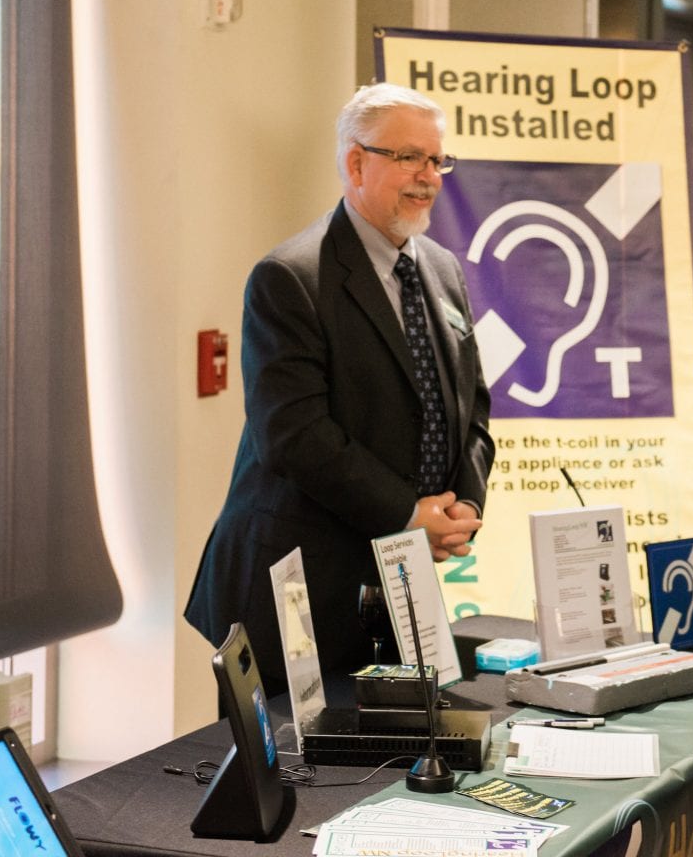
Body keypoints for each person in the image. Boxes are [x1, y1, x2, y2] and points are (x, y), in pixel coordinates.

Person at [184, 83, 493, 695]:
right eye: (409, 158)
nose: (428, 177)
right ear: (356, 162)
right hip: (299, 589)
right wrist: (408, 515)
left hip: (399, 583)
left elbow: (471, 403)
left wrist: (465, 507)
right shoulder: (290, 277)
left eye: (437, 160)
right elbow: (293, 435)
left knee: (392, 771)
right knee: (297, 780)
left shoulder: (442, 269)